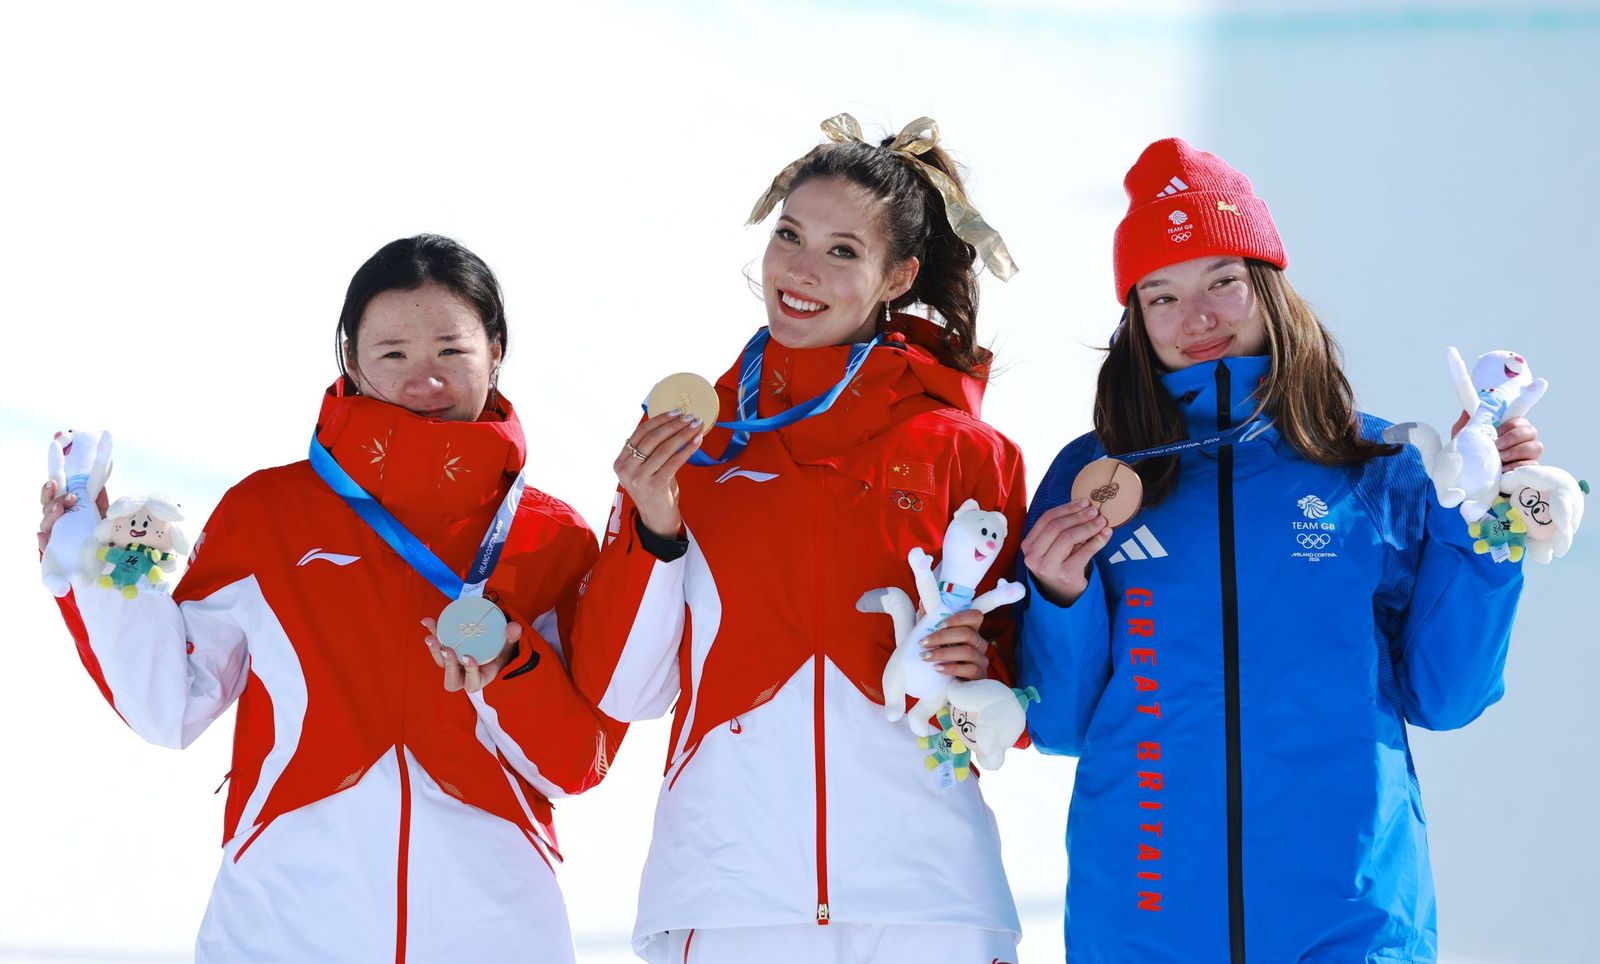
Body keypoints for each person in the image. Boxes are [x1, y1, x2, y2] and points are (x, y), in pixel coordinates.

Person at [1017, 138, 1542, 963]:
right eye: (1161, 296)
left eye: (1223, 281)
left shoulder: (1377, 464)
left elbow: (1448, 694)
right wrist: (1059, 599)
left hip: (1351, 915)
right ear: (1135, 320)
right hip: (1144, 918)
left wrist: (1480, 528)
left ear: (1268, 288)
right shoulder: (1092, 476)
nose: (1198, 319)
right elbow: (1057, 723)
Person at [36, 234, 621, 963]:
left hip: (495, 929)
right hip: (285, 927)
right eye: (394, 354)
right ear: (350, 357)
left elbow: (579, 763)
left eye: (451, 350)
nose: (425, 381)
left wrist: (509, 664)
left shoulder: (552, 538)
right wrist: (98, 568)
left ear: (496, 349)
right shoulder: (269, 514)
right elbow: (167, 702)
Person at [569, 114, 1028, 964]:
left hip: (929, 902)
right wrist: (653, 527)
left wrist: (981, 679)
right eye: (790, 235)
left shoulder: (966, 451)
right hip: (729, 895)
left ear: (901, 276)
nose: (801, 270)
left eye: (843, 250)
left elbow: (1007, 702)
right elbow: (623, 690)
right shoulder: (688, 441)